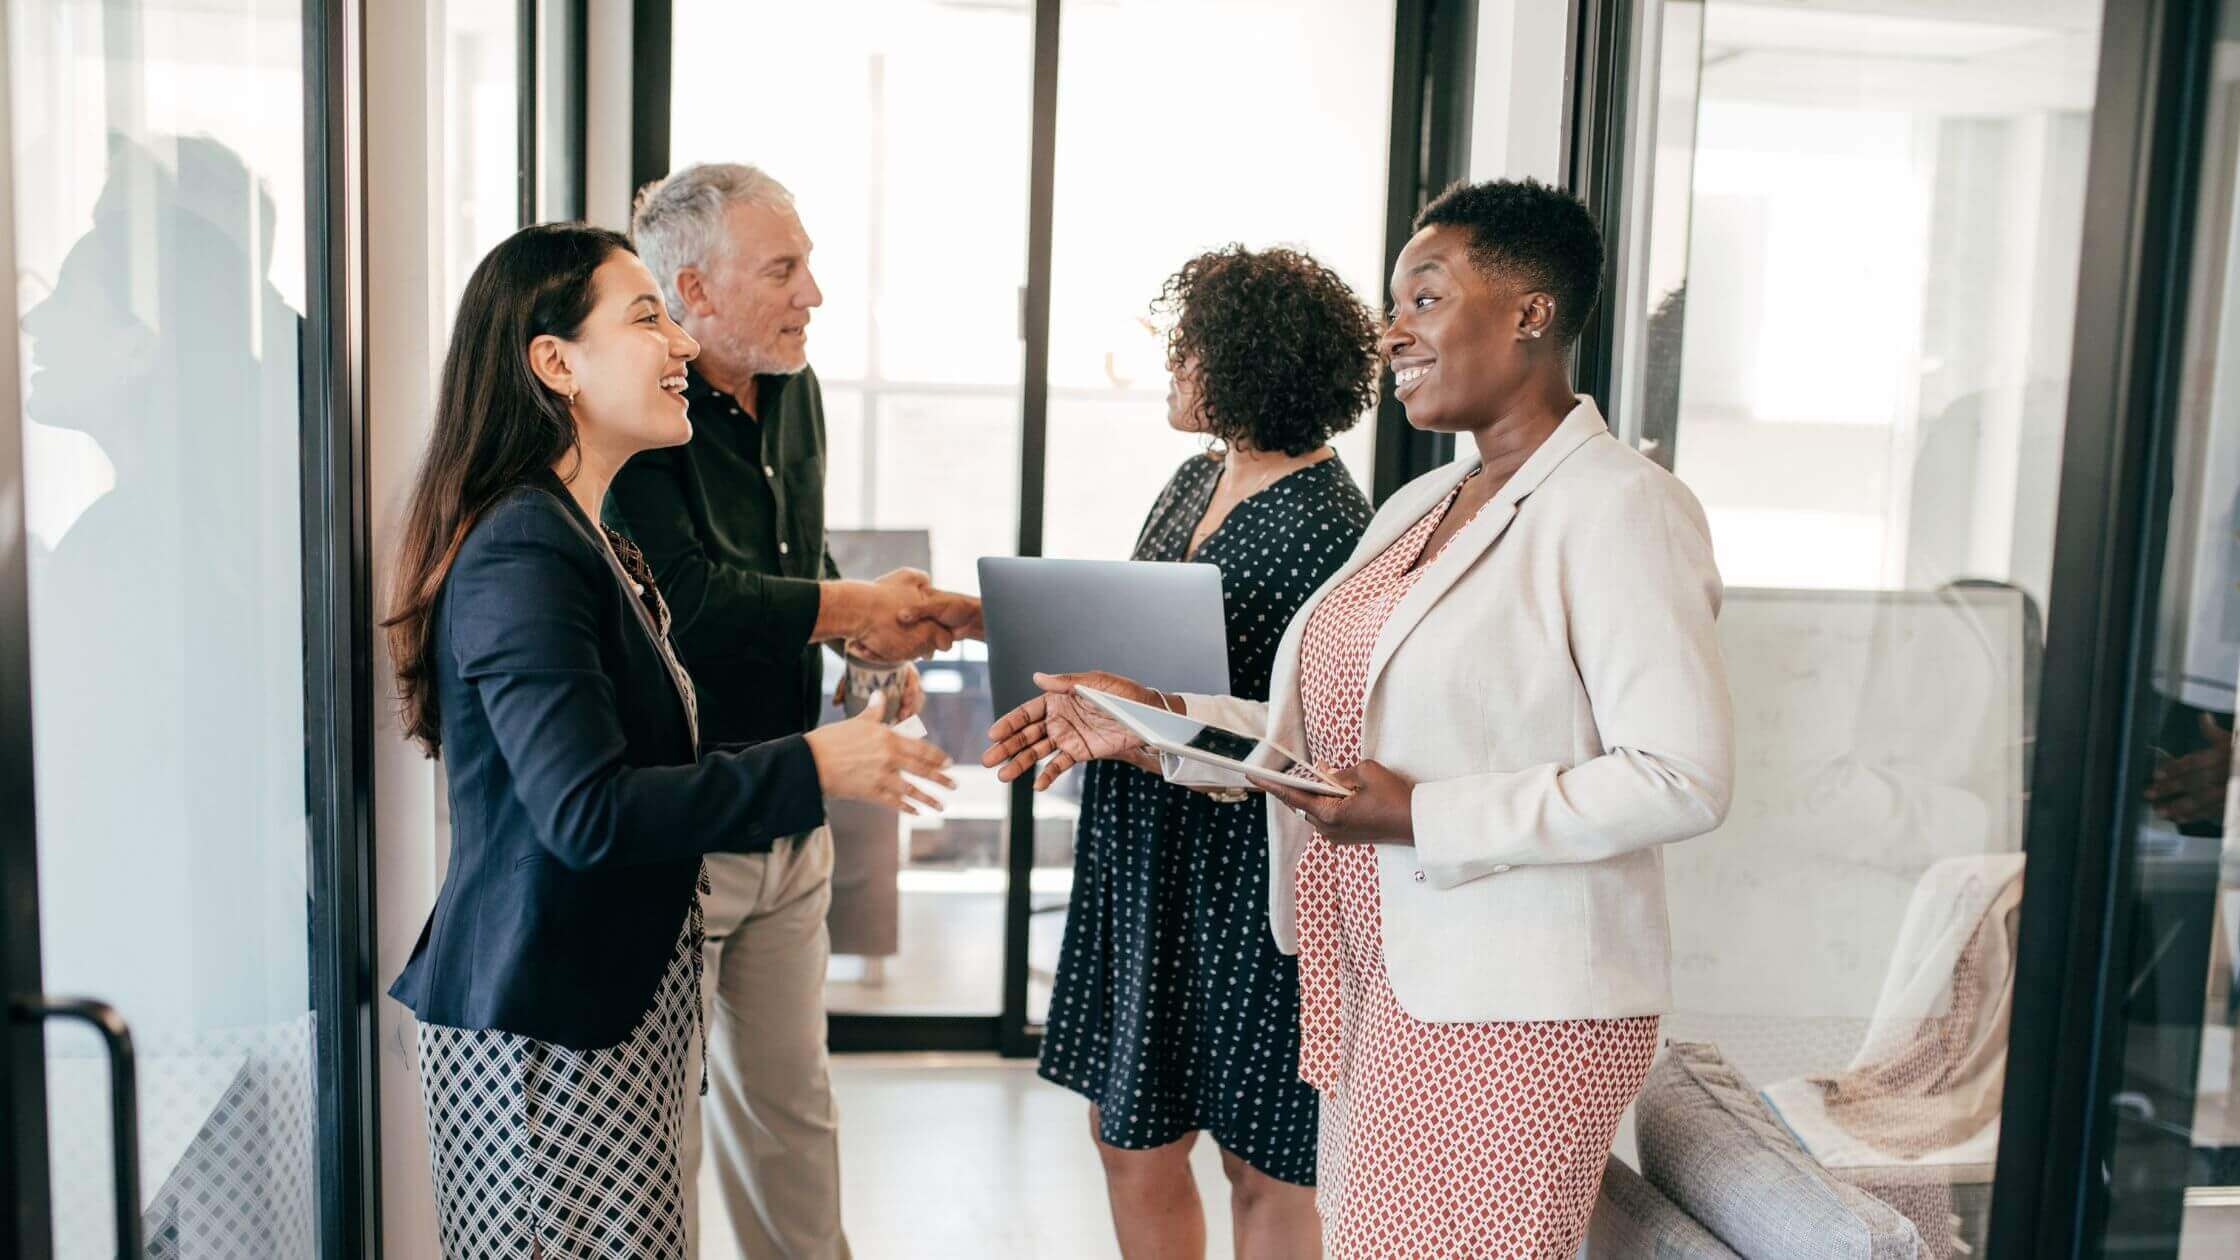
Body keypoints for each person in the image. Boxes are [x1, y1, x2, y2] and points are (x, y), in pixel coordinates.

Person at [986, 178, 1734, 1257]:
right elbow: (1310, 738)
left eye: (1423, 299)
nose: (1394, 332)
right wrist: (1152, 722)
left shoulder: (1618, 505)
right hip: (1379, 977)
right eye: (1395, 304)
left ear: (1529, 312)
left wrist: (1426, 813)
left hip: (1513, 1011)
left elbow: (1680, 774)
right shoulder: (1420, 505)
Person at [384, 223, 953, 1259]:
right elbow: (587, 812)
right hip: (544, 1033)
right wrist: (815, 763)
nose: (681, 345)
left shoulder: (585, 532)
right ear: (553, 362)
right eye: (646, 317)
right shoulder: (523, 546)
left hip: (602, 1012)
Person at [607, 162, 979, 1260]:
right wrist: (855, 600)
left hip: (793, 809)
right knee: (654, 1136)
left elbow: (789, 561)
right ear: (694, 290)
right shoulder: (643, 409)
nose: (812, 292)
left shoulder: (796, 387)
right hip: (685, 828)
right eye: (784, 268)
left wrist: (865, 641)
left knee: (792, 1114)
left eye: (807, 263)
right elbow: (686, 598)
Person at [1032, 246, 1378, 1259]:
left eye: (1187, 347)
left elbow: (1305, 739)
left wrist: (1146, 728)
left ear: (1248, 364)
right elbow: (1148, 648)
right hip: (1141, 850)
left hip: (1246, 870)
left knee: (1263, 1161)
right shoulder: (1194, 478)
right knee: (1127, 1131)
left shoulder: (1334, 531)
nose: (1170, 365)